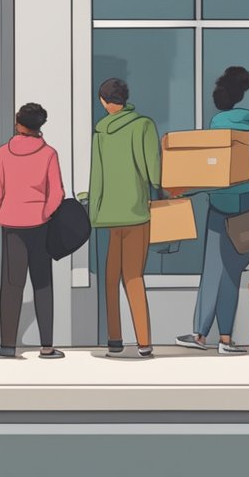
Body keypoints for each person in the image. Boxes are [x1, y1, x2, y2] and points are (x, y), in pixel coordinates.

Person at [176, 67, 249, 355]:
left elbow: (209, 168)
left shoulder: (218, 125)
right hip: (248, 203)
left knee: (213, 270)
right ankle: (225, 338)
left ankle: (201, 334)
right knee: (232, 272)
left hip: (221, 205)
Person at [90, 78, 160, 359]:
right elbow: (151, 170)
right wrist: (162, 187)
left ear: (104, 101)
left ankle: (114, 339)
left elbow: (97, 177)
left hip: (108, 213)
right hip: (135, 212)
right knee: (133, 277)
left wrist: (95, 212)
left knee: (110, 278)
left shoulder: (100, 133)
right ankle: (143, 342)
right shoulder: (143, 125)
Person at [0, 103, 64, 359]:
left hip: (11, 224)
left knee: (11, 285)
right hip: (40, 225)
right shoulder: (49, 154)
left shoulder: (2, 153)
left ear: (18, 124)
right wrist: (44, 213)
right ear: (39, 126)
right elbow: (57, 193)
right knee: (42, 284)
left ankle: (8, 345)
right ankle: (47, 346)